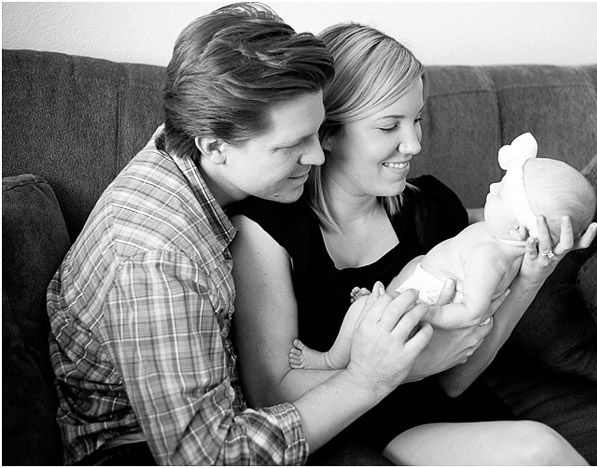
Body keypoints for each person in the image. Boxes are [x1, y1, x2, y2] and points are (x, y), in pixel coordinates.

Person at [45, 5, 435, 465]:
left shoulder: (201, 136)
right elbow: (210, 455)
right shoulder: (158, 256)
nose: (317, 156)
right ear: (214, 145)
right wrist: (367, 378)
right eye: (292, 145)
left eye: (317, 131)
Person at [230, 23, 597, 465]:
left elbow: (456, 380)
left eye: (417, 119)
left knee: (538, 449)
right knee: (535, 449)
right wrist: (409, 367)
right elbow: (272, 397)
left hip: (452, 420)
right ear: (326, 132)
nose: (414, 143)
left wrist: (531, 278)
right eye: (389, 126)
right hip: (365, 430)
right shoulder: (267, 231)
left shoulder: (430, 210)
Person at [288, 133, 597, 394]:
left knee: (364, 312)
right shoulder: (489, 233)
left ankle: (331, 361)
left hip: (425, 316)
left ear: (520, 229)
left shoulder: (487, 255)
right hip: (406, 315)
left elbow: (473, 317)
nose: (491, 187)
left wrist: (429, 312)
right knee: (393, 286)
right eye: (389, 125)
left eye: (502, 193)